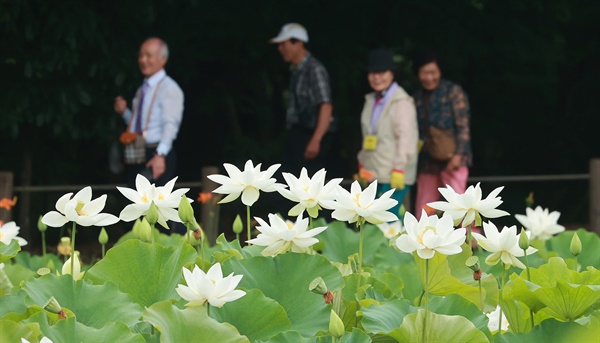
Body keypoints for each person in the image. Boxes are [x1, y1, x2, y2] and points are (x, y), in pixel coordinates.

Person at [114, 37, 184, 188]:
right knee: (135, 203)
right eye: (141, 55)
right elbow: (138, 125)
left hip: (156, 152)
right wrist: (124, 112)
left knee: (154, 206)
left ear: (163, 59)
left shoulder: (169, 88)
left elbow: (170, 125)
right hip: (138, 152)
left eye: (149, 55)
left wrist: (160, 155)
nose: (143, 60)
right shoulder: (143, 88)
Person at [357, 49, 418, 221]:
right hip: (374, 171)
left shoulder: (402, 101)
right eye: (372, 73)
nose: (377, 77)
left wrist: (399, 168)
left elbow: (406, 139)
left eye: (381, 73)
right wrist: (362, 163)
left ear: (392, 74)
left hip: (394, 172)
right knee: (377, 221)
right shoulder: (370, 100)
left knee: (388, 222)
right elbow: (366, 135)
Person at [412, 49, 472, 218]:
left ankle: (473, 243)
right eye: (424, 73)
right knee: (424, 209)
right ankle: (422, 241)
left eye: (433, 72)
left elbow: (463, 126)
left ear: (440, 71)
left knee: (461, 207)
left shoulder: (453, 92)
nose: (429, 77)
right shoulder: (416, 97)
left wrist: (459, 155)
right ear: (418, 73)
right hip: (427, 161)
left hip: (453, 159)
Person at [270, 23, 334, 175]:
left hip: (310, 134)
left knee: (308, 183)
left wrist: (316, 140)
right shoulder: (297, 71)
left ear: (298, 42)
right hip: (298, 134)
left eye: (283, 44)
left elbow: (325, 105)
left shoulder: (314, 69)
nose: (280, 49)